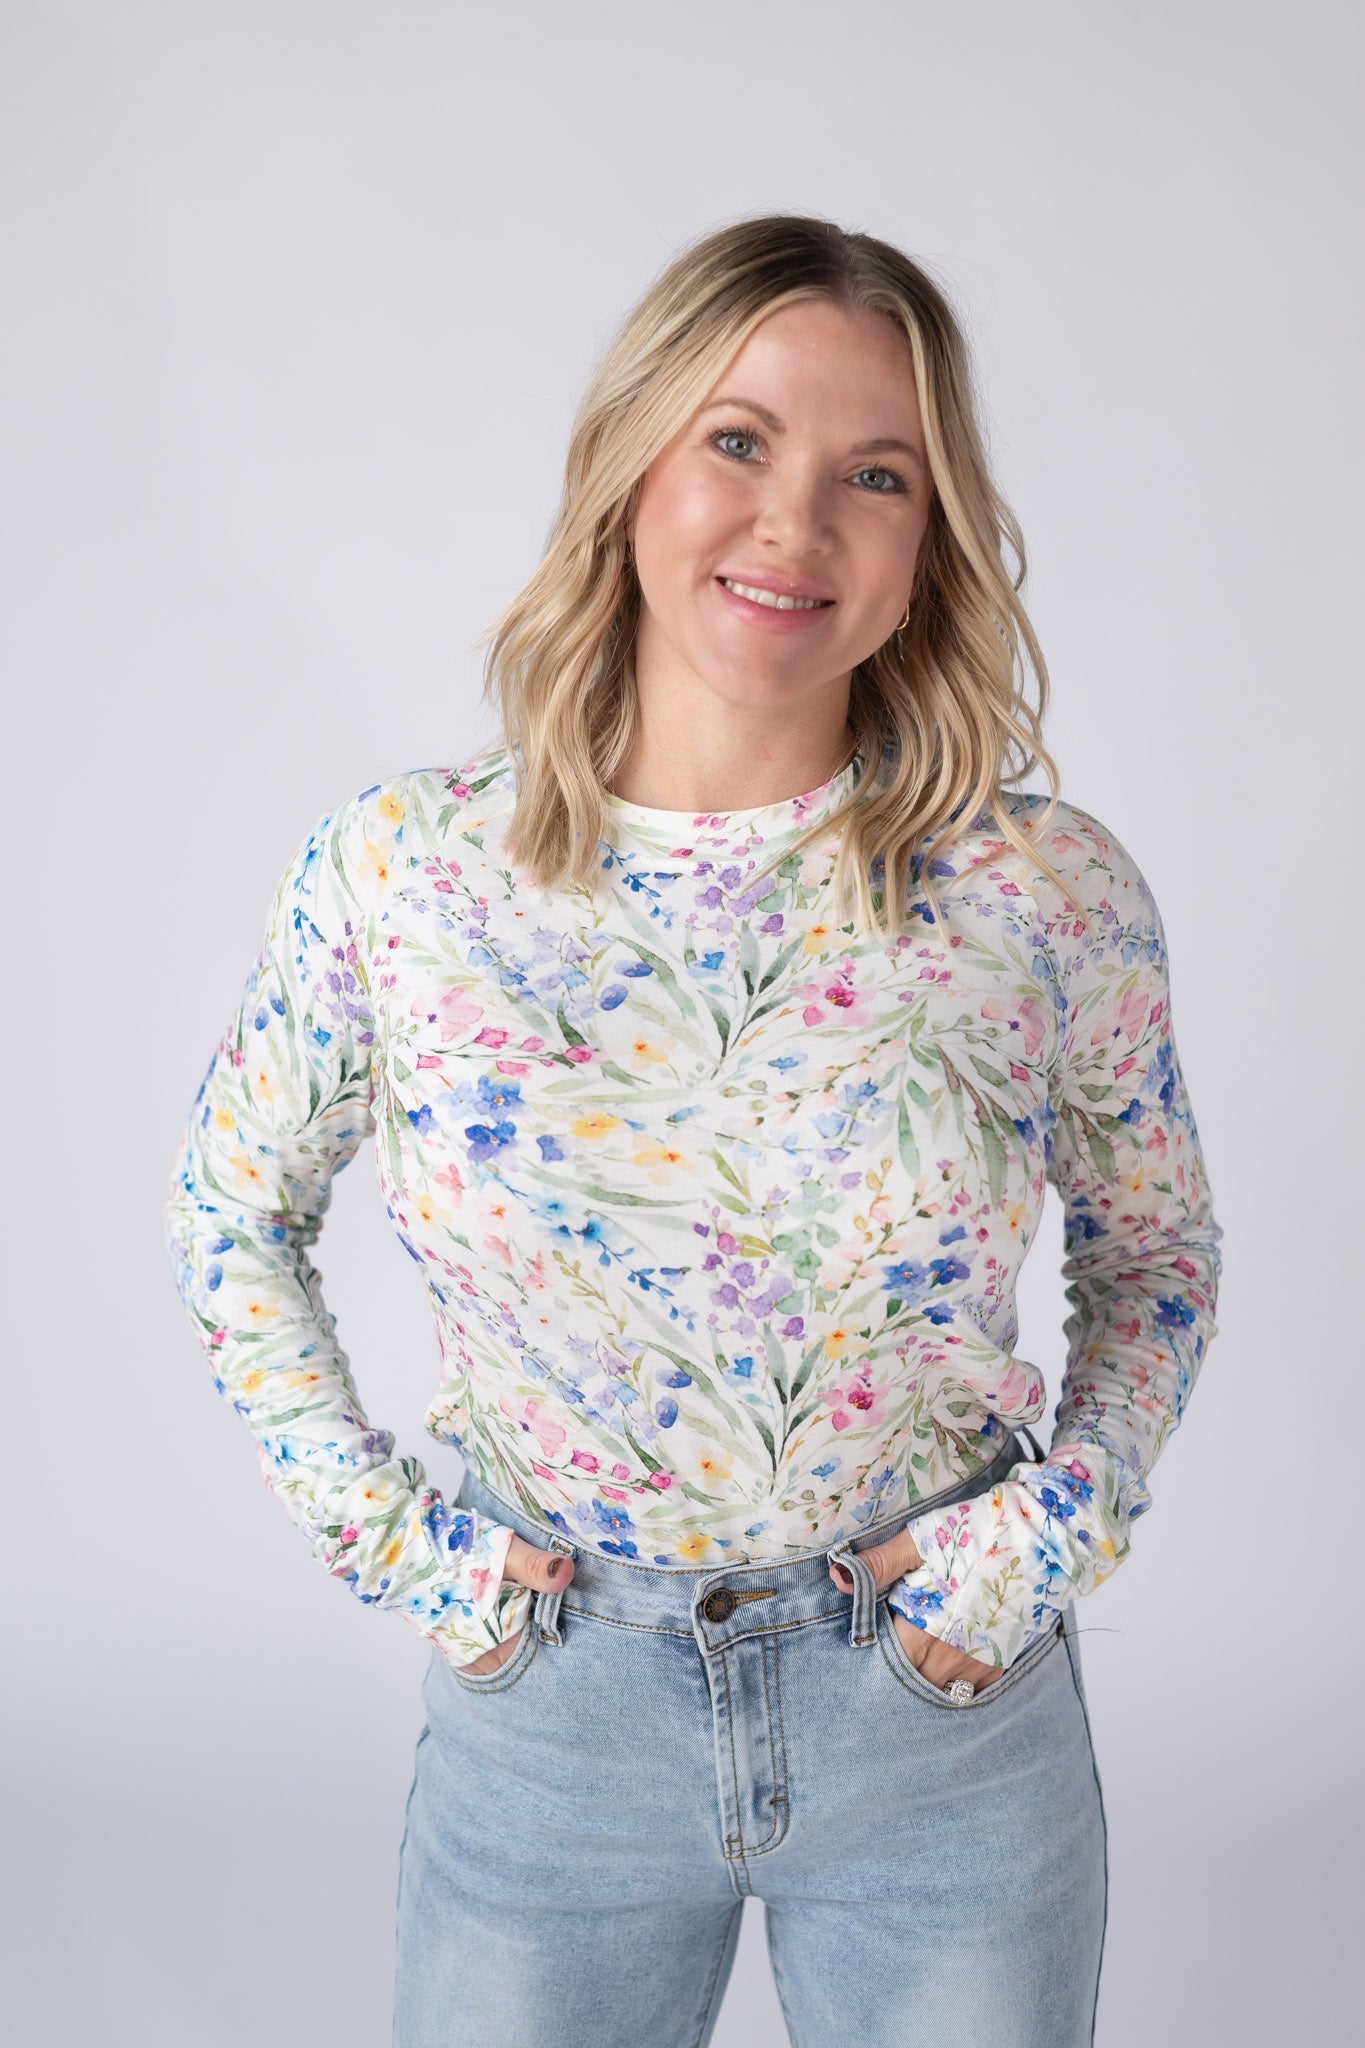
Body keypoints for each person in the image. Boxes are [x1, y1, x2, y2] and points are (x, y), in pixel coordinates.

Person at [162, 213, 1222, 2048]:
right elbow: (227, 1212)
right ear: (629, 468)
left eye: (870, 475)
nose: (791, 525)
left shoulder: (1039, 891)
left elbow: (1155, 1253)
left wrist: (1046, 1534)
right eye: (737, 440)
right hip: (555, 1736)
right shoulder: (406, 877)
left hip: (940, 1729)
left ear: (926, 543)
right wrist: (398, 1547)